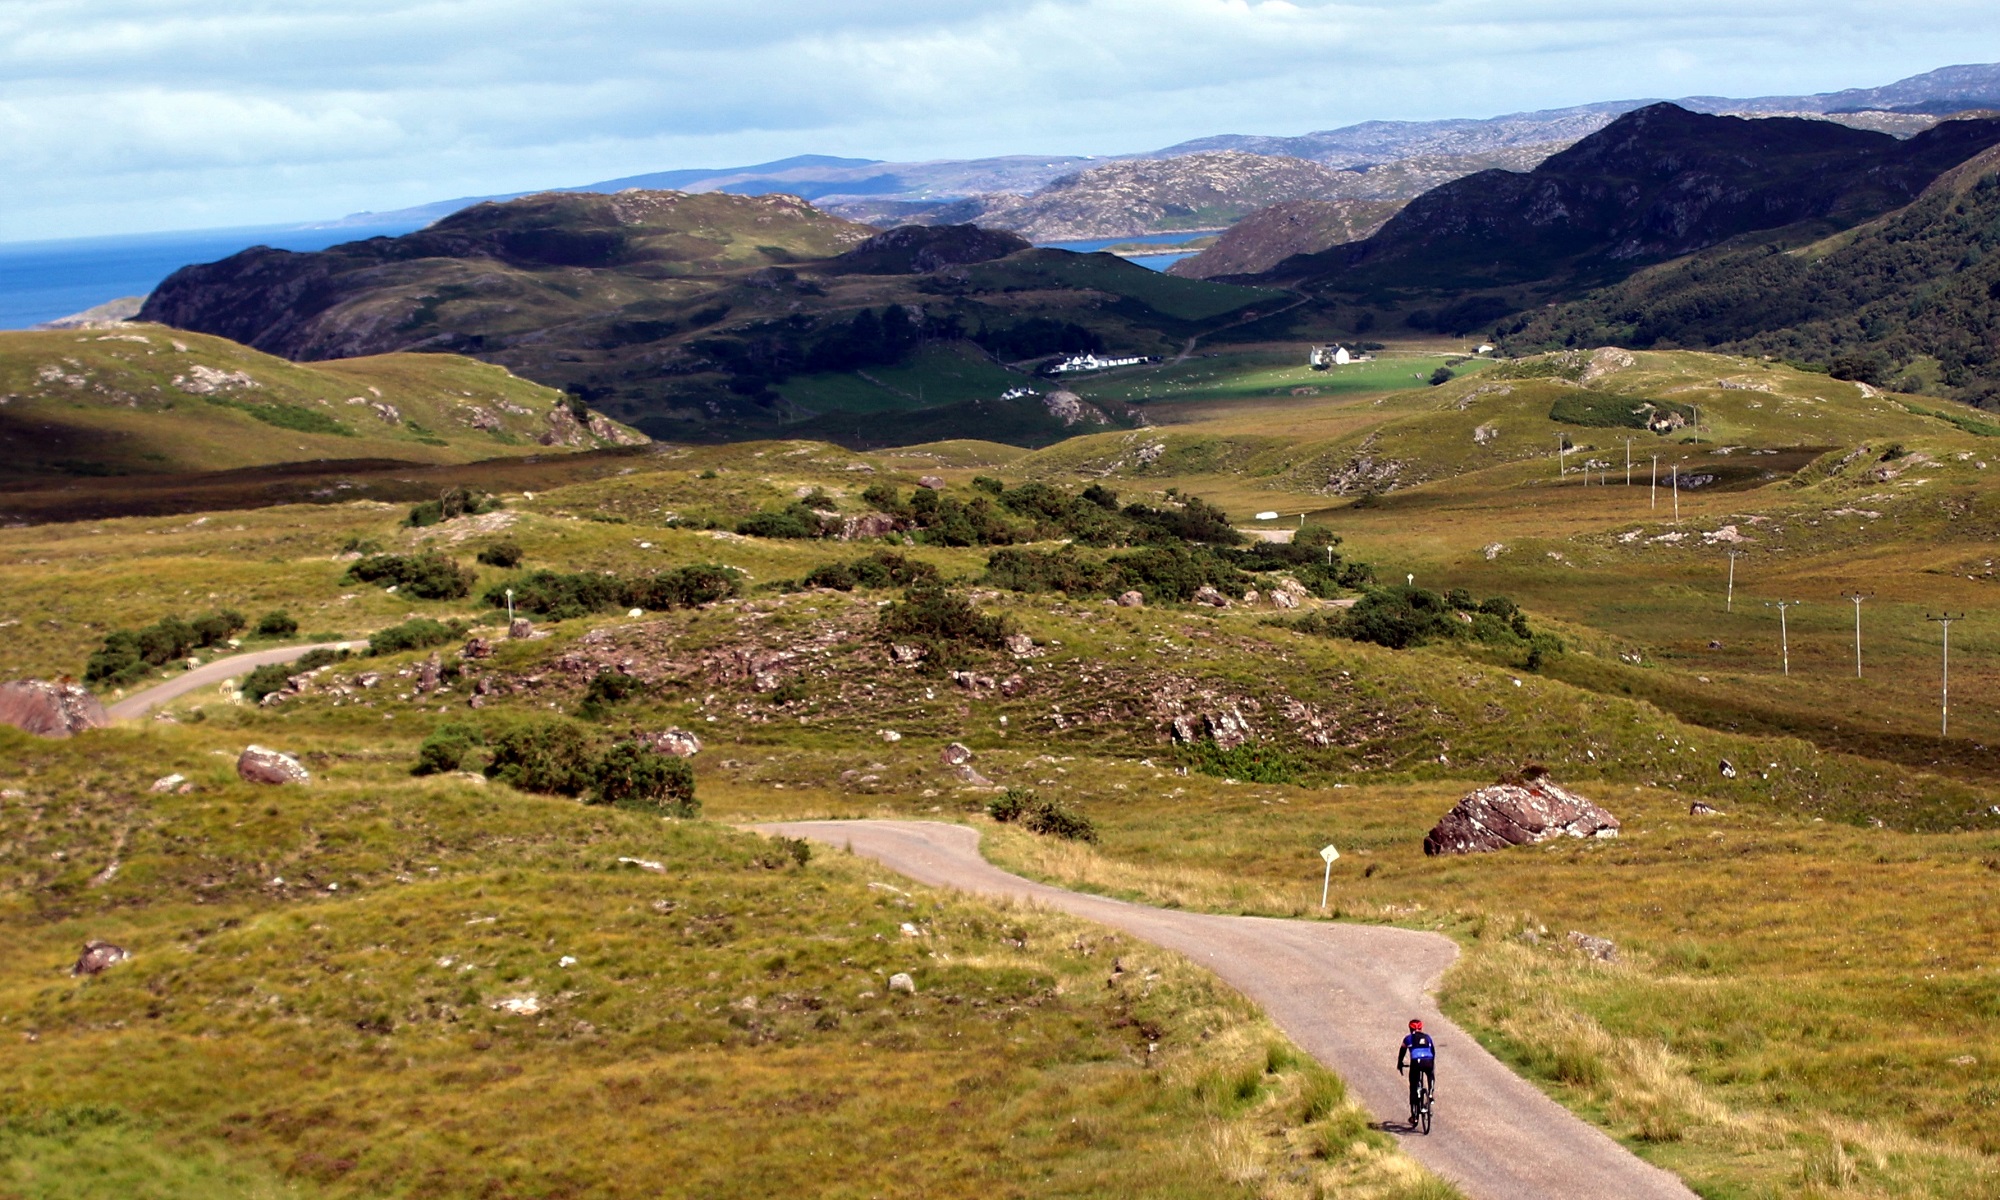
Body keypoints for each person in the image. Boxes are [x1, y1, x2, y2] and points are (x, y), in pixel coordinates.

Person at [1397, 1018, 1436, 1121]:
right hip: (1428, 1060)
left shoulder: (1408, 1039)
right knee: (1430, 1074)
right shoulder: (1428, 1037)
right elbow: (1433, 1051)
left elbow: (1402, 1052)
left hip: (1416, 1062)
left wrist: (1399, 1064)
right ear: (1421, 1028)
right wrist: (1431, 1064)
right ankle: (1431, 1093)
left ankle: (1414, 1116)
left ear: (1410, 1028)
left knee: (1413, 1086)